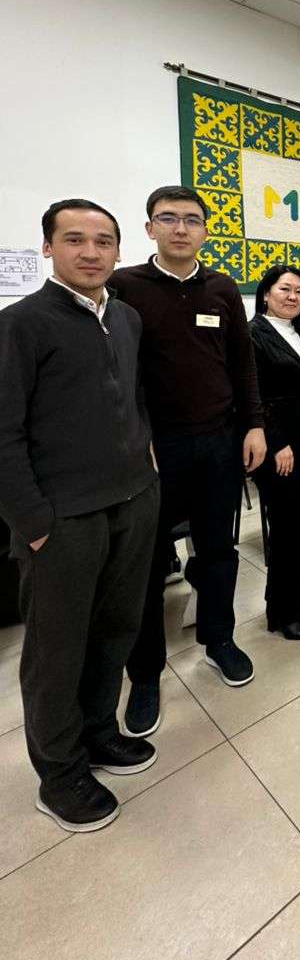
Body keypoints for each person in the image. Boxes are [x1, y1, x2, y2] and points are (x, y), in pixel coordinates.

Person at [0, 199, 160, 832]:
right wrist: (34, 523)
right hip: (63, 520)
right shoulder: (21, 325)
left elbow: (135, 399)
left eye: (103, 241)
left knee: (115, 631)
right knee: (56, 652)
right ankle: (60, 773)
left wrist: (146, 471)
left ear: (118, 249)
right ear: (48, 247)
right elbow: (3, 434)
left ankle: (98, 732)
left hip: (132, 501)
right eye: (74, 239)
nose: (90, 252)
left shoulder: (125, 318)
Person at [110, 186, 266, 738]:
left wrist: (253, 424)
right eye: (168, 219)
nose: (181, 228)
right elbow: (115, 372)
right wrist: (138, 435)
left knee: (218, 551)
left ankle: (219, 639)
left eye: (192, 220)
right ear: (149, 228)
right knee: (147, 565)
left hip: (219, 444)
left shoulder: (221, 288)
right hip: (155, 451)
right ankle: (144, 673)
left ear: (204, 230)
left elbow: (242, 362)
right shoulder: (124, 286)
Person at [250, 265, 300, 640]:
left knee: (297, 529)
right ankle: (283, 614)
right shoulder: (254, 333)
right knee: (285, 531)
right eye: (285, 289)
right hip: (278, 446)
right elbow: (255, 395)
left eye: (299, 291)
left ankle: (288, 600)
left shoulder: (297, 331)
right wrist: (278, 443)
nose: (293, 296)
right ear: (266, 293)